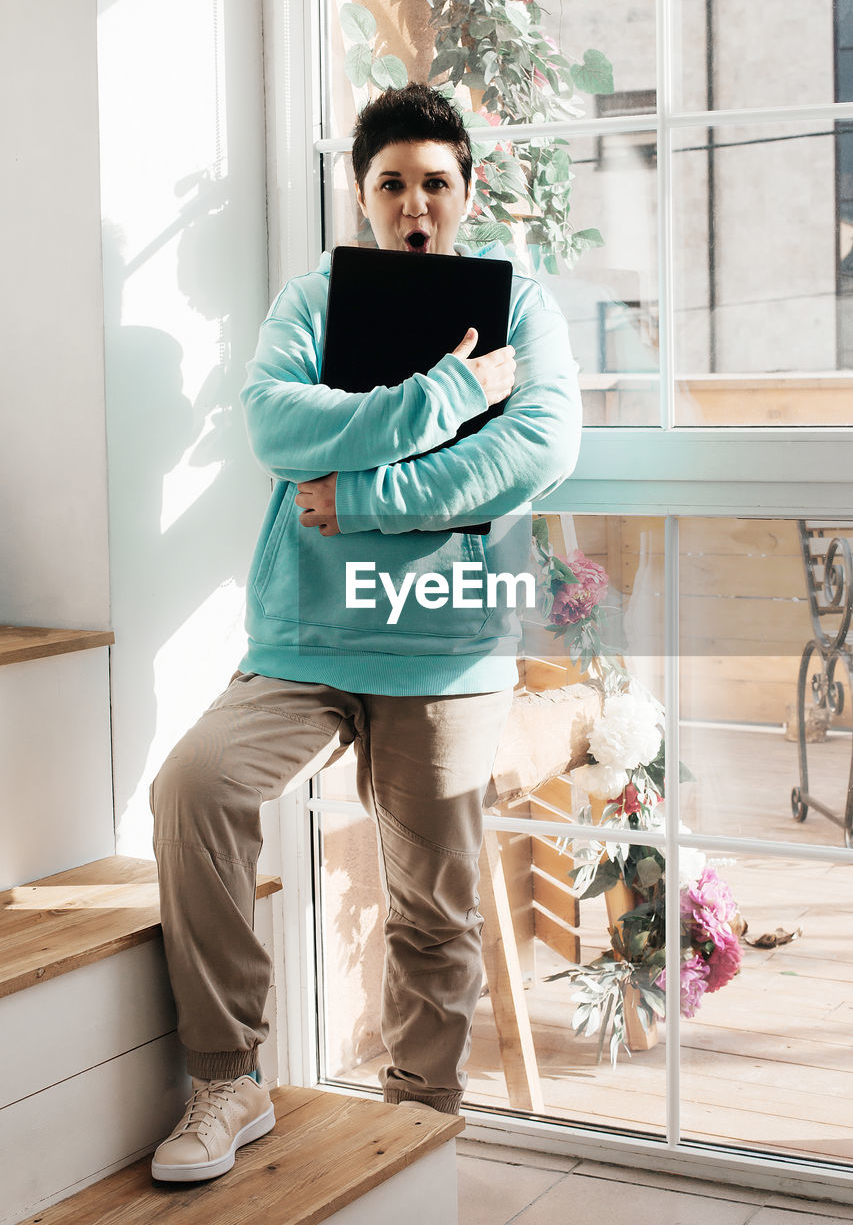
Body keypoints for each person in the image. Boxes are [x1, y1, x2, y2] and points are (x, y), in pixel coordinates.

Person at [149, 81, 581, 1183]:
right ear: (361, 193)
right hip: (304, 638)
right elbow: (272, 423)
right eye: (391, 183)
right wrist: (439, 391)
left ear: (468, 190)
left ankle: (417, 1121)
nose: (414, 204)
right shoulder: (311, 303)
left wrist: (361, 496)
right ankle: (225, 1077)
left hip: (442, 643)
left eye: (436, 182)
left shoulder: (522, 302)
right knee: (196, 783)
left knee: (428, 903)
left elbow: (533, 447)